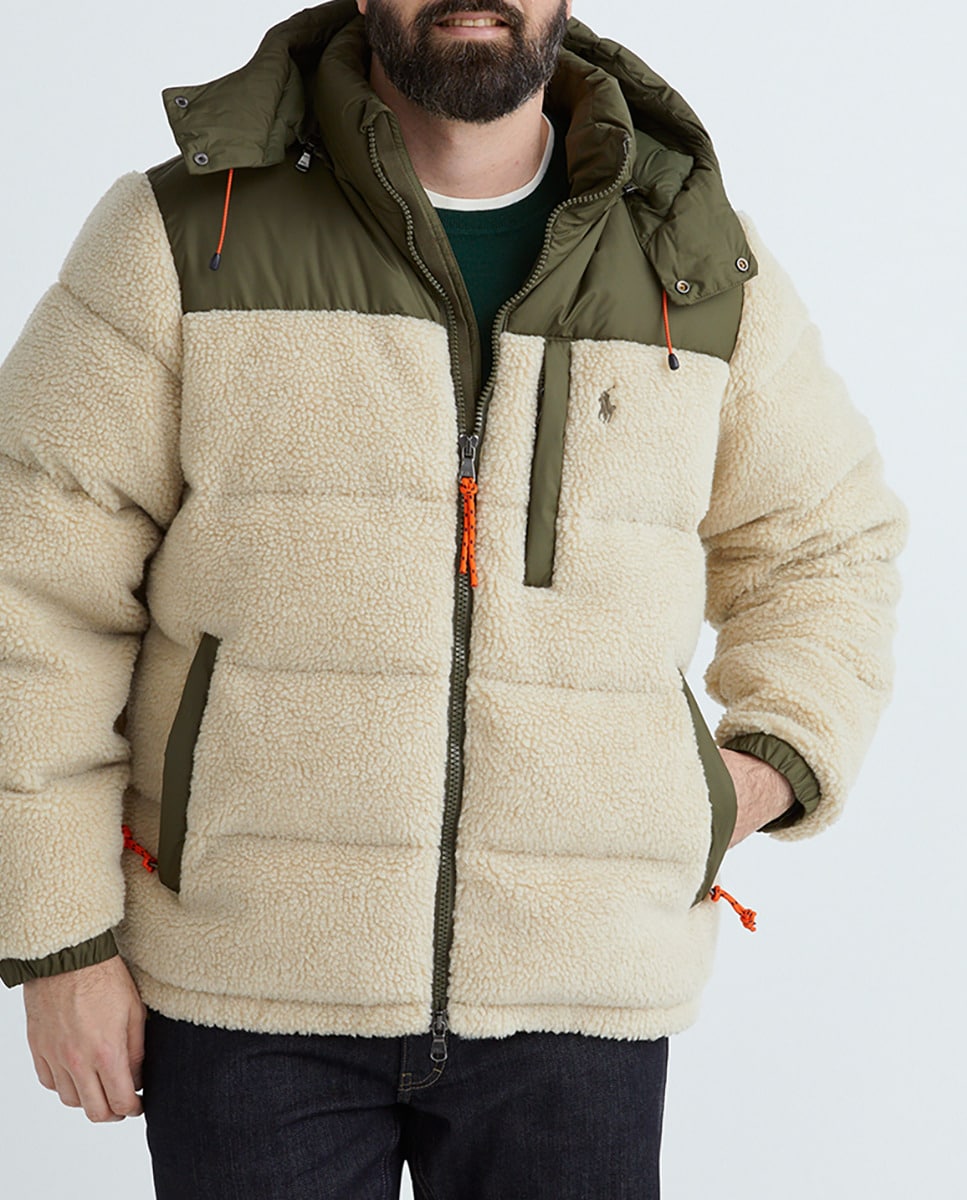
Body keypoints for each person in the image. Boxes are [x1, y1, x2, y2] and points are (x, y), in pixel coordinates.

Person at [0, 1, 907, 1196]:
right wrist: (58, 940)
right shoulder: (185, 232)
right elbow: (30, 586)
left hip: (580, 995)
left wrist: (760, 768)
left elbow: (823, 546)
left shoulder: (687, 257)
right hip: (244, 986)